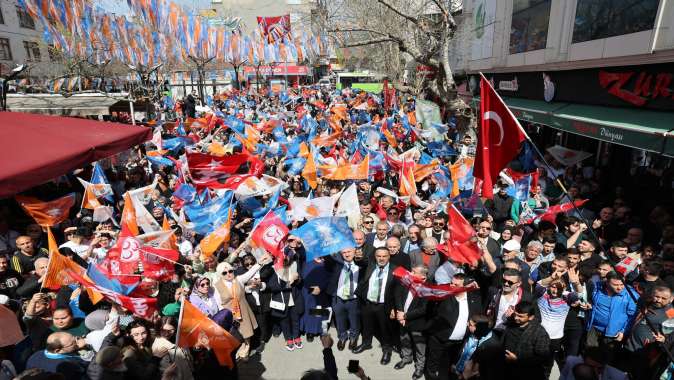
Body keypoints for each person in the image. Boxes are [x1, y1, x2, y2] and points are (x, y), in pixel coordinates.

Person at [425, 273, 482, 380]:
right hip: (439, 338)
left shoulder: (474, 299)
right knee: (433, 363)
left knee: (451, 365)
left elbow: (477, 316)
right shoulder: (443, 296)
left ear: (465, 287)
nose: (452, 286)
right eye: (451, 283)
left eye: (456, 285)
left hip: (458, 343)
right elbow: (430, 310)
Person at [353, 247, 396, 366]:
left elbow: (398, 291)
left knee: (385, 329)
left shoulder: (395, 270)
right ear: (375, 257)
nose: (381, 259)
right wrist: (358, 257)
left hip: (384, 305)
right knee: (366, 325)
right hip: (367, 303)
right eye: (379, 256)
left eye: (384, 256)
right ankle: (366, 343)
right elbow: (360, 261)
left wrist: (395, 308)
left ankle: (387, 350)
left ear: (389, 257)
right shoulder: (370, 265)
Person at [585, 271, 639, 360]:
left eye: (622, 284)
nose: (620, 288)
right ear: (607, 282)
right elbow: (589, 298)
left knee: (607, 358)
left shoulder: (630, 295)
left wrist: (623, 331)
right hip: (594, 328)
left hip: (613, 333)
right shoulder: (597, 287)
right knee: (590, 355)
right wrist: (589, 303)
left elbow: (632, 317)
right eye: (615, 285)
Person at [624, 285, 674, 378]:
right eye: (657, 296)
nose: (659, 300)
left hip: (644, 352)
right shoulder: (648, 303)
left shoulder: (671, 312)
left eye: (663, 298)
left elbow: (669, 336)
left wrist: (663, 339)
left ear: (671, 299)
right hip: (630, 344)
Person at [324, 248, 363, 352]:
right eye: (344, 252)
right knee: (340, 320)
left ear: (355, 252)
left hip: (354, 299)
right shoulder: (338, 264)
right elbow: (328, 260)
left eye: (349, 252)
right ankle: (342, 337)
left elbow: (367, 262)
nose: (346, 254)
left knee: (354, 319)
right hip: (339, 298)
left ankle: (353, 338)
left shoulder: (360, 264)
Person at [393, 265, 429, 379]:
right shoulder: (407, 281)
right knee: (404, 339)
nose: (410, 273)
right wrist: (400, 312)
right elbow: (398, 295)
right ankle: (406, 358)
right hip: (402, 318)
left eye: (414, 272)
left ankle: (419, 367)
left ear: (423, 276)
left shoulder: (429, 288)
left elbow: (424, 309)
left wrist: (405, 316)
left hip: (417, 323)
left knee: (419, 346)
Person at [502, 301, 551, 380]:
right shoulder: (511, 323)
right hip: (507, 370)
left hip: (526, 374)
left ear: (531, 317)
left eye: (520, 316)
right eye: (515, 314)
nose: (516, 318)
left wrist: (517, 359)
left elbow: (542, 357)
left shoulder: (539, 333)